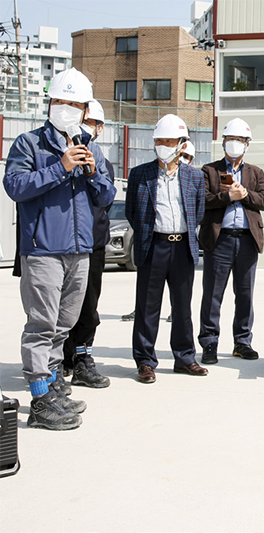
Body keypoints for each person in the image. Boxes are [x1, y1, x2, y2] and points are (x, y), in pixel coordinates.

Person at [3, 68, 115, 430]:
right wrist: (60, 167)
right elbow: (16, 187)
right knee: (41, 324)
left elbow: (107, 197)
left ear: (85, 109)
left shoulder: (91, 146)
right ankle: (39, 398)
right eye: (60, 102)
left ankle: (53, 384)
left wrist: (94, 172)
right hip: (43, 250)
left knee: (64, 324)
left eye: (74, 104)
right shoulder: (29, 144)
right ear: (50, 103)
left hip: (80, 251)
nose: (66, 109)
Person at [125, 114, 207, 384]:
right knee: (148, 308)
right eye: (159, 140)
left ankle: (185, 358)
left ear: (182, 145)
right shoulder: (140, 174)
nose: (163, 145)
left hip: (183, 247)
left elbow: (198, 212)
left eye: (169, 141)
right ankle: (145, 362)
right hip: (153, 246)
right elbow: (132, 212)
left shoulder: (194, 177)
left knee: (182, 307)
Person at [198, 118, 264, 364]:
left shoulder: (255, 172)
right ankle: (209, 343)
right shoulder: (209, 170)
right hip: (219, 240)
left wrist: (245, 195)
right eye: (230, 140)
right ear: (223, 143)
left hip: (247, 240)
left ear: (247, 144)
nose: (234, 144)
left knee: (245, 294)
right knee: (212, 294)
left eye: (239, 140)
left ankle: (242, 342)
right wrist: (228, 196)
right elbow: (204, 200)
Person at [62, 99, 115, 389]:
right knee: (58, 308)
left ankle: (83, 358)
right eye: (84, 120)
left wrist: (93, 172)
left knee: (88, 307)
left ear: (100, 128)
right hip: (59, 245)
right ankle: (59, 360)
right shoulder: (58, 153)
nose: (87, 127)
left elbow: (107, 198)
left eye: (93, 123)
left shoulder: (101, 160)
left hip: (92, 243)